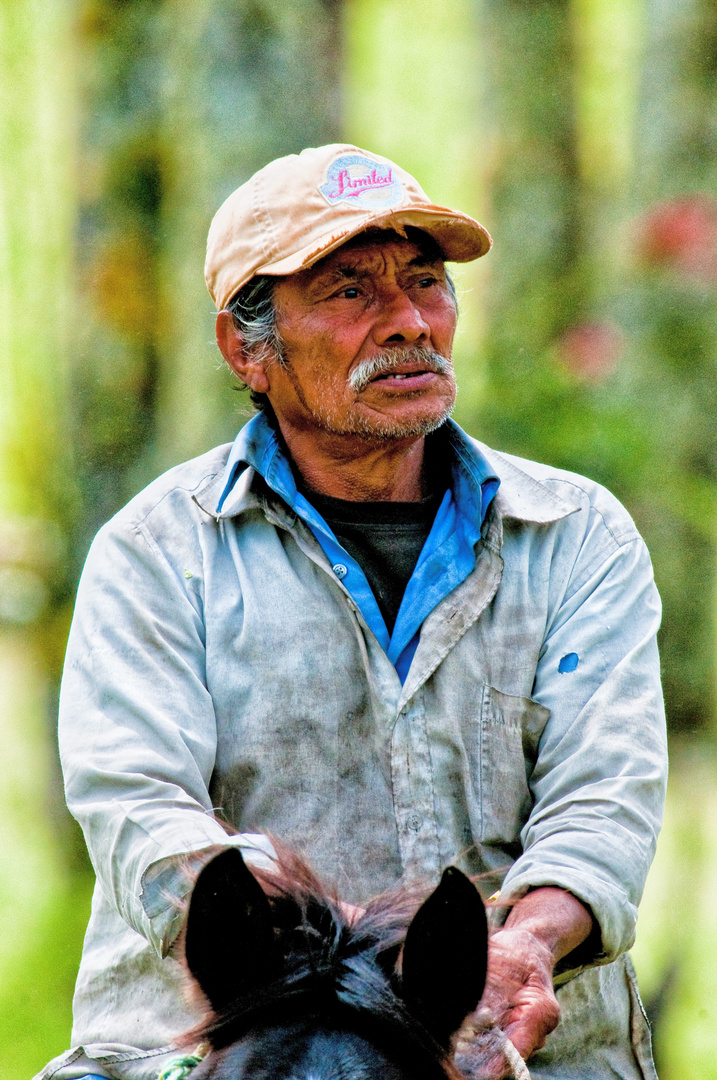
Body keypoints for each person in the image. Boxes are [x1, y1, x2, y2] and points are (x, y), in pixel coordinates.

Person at [38, 145, 667, 1080]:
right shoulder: (159, 549)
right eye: (349, 293)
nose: (410, 322)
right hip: (211, 1052)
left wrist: (524, 951)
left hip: (529, 1053)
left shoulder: (575, 537)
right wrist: (279, 961)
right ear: (246, 349)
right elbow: (140, 805)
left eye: (425, 283)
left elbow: (602, 807)